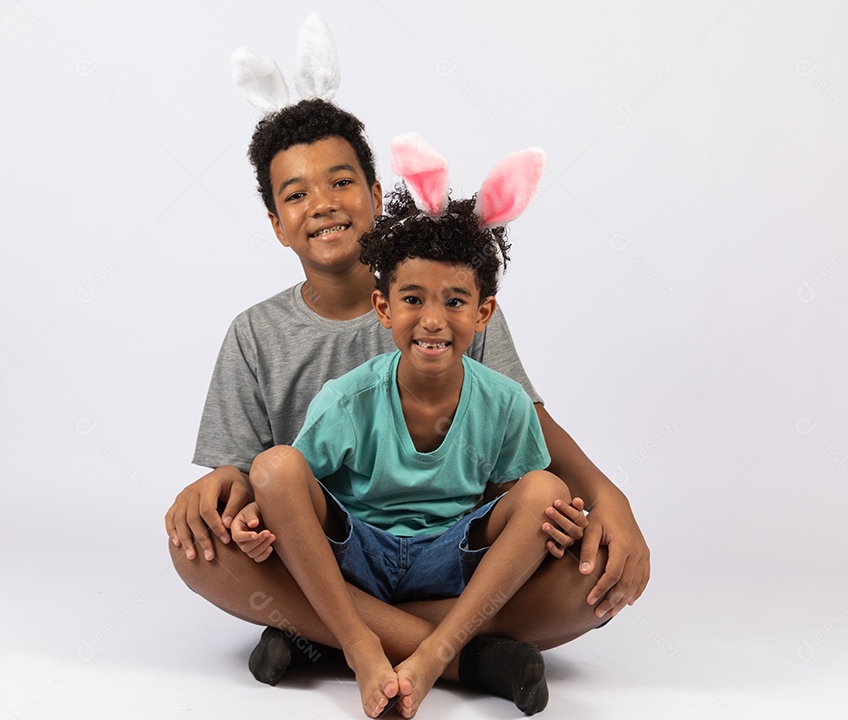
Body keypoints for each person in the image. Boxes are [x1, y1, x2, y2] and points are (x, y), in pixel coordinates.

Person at [165, 98, 649, 699]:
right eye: (295, 195)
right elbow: (248, 477)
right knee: (196, 551)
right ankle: (465, 658)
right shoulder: (254, 333)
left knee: (587, 569)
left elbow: (530, 425)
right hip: (329, 552)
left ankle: (317, 636)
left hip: (447, 553)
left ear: (374, 193)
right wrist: (217, 492)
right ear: (275, 223)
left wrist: (610, 499)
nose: (321, 203)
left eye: (341, 182)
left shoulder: (447, 299)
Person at [230, 136, 589, 717]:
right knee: (272, 467)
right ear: (384, 308)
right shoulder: (347, 399)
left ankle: (416, 653)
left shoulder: (504, 403)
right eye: (413, 299)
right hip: (357, 555)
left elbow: (510, 496)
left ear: (483, 312)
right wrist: (258, 508)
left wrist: (550, 521)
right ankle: (358, 644)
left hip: (451, 560)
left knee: (546, 492)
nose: (432, 321)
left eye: (454, 302)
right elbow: (295, 487)